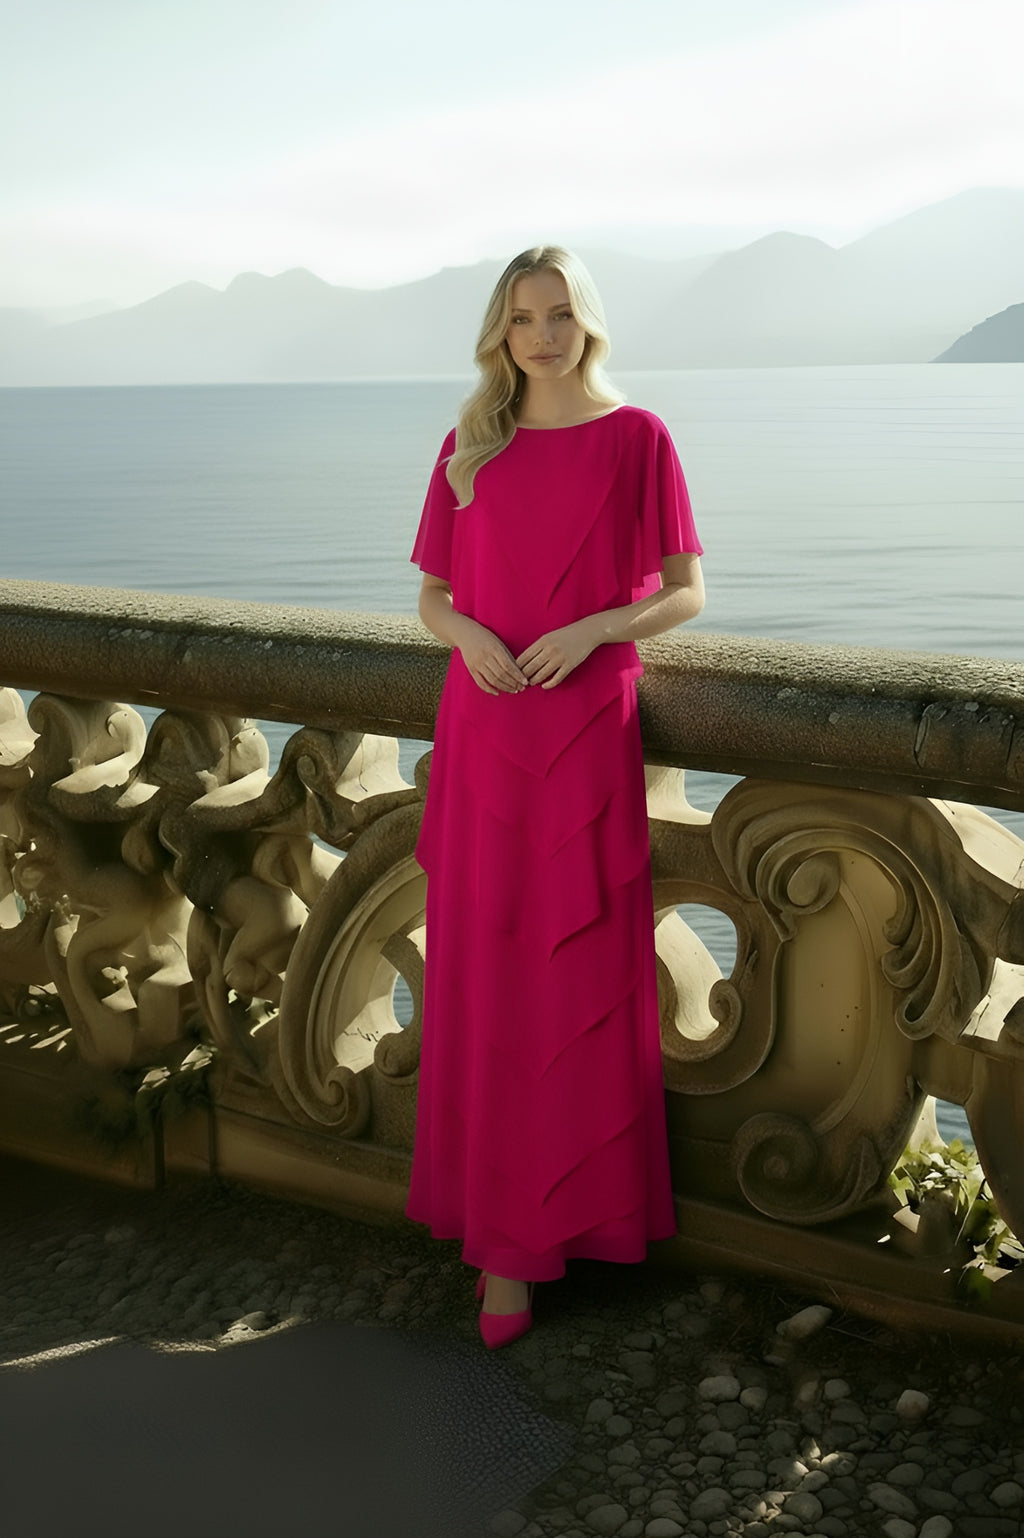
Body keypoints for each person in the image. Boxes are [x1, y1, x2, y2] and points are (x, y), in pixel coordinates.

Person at [406, 245, 705, 1348]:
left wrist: (591, 629)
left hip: (585, 729)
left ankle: (584, 1220)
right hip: (485, 726)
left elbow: (686, 592)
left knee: (578, 973)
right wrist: (473, 633)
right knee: (487, 980)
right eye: (524, 316)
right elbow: (431, 600)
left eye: (560, 313)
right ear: (500, 333)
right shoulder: (466, 449)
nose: (542, 332)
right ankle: (501, 1252)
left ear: (587, 325)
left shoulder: (639, 439)